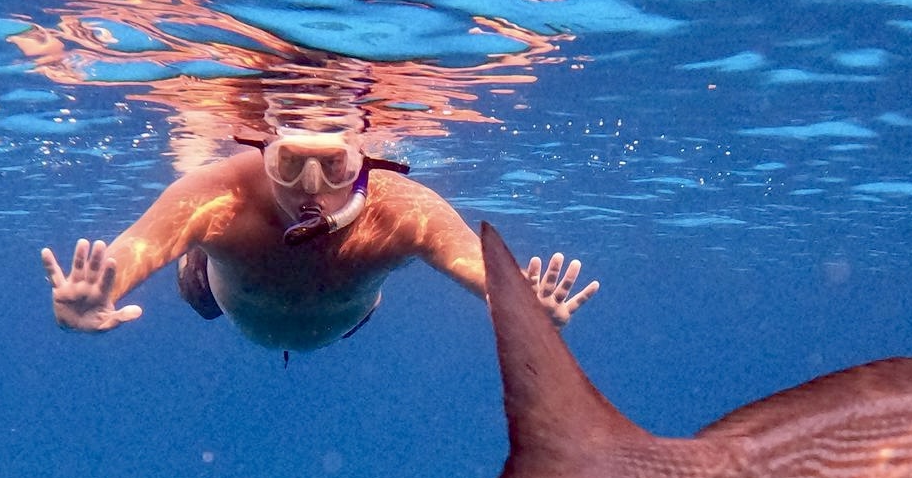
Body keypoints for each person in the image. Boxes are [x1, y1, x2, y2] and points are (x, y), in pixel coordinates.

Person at [41, 127, 598, 351]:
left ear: (365, 160)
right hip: (221, 295)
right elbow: (133, 249)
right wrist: (96, 294)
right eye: (289, 164)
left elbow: (479, 268)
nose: (311, 188)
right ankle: (203, 257)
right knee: (197, 290)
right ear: (263, 152)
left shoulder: (402, 208)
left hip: (348, 313)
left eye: (333, 165)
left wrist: (521, 305)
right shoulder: (219, 195)